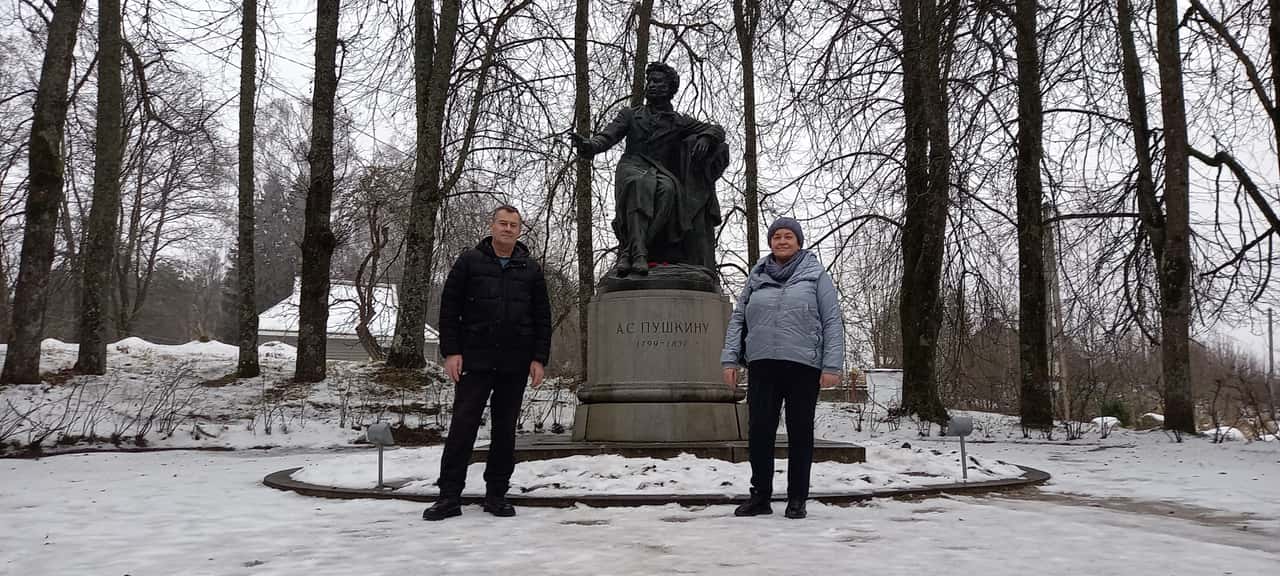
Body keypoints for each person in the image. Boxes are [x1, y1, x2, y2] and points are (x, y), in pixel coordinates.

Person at [422, 205, 552, 521]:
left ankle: (496, 495)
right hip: (475, 359)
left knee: (505, 431)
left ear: (519, 231)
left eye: (514, 225)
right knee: (462, 428)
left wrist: (538, 358)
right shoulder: (469, 262)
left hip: (515, 362)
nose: (508, 229)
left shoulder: (531, 270)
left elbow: (542, 319)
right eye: (502, 223)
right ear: (492, 226)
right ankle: (449, 496)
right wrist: (451, 352)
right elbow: (449, 310)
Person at [720, 217, 844, 519]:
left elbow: (832, 320)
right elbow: (739, 318)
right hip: (763, 364)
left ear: (799, 242)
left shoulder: (815, 274)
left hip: (804, 366)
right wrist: (730, 358)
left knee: (800, 432)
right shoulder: (758, 273)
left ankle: (797, 498)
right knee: (759, 432)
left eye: (789, 236)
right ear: (771, 242)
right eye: (777, 236)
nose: (782, 241)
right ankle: (760, 496)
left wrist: (832, 365)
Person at [569, 62, 729, 276]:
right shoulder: (630, 115)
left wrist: (708, 137)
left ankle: (631, 251)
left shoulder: (678, 121)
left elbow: (716, 128)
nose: (651, 85)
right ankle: (640, 254)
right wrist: (589, 146)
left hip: (660, 171)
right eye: (650, 81)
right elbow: (608, 136)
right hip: (632, 165)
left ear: (670, 88)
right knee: (638, 185)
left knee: (668, 191)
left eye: (658, 82)